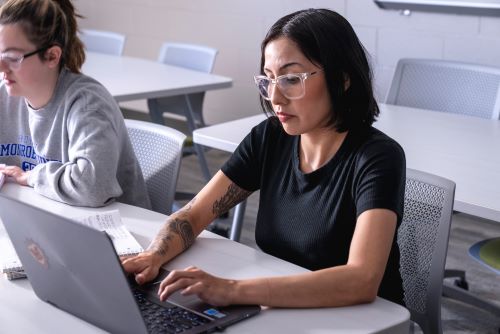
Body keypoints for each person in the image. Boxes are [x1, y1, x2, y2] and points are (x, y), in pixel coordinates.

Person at [123, 8, 406, 307]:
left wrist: (233, 290)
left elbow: (361, 280)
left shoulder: (378, 158)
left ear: (342, 79)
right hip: (287, 310)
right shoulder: (271, 137)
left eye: (291, 79)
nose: (275, 97)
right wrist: (153, 255)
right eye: (268, 79)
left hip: (363, 320)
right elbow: (194, 215)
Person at [0, 0, 150, 209]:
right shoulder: (4, 93)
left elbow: (92, 186)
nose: (1, 67)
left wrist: (32, 177)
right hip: (42, 217)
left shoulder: (87, 103)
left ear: (52, 56)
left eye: (13, 57)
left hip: (115, 231)